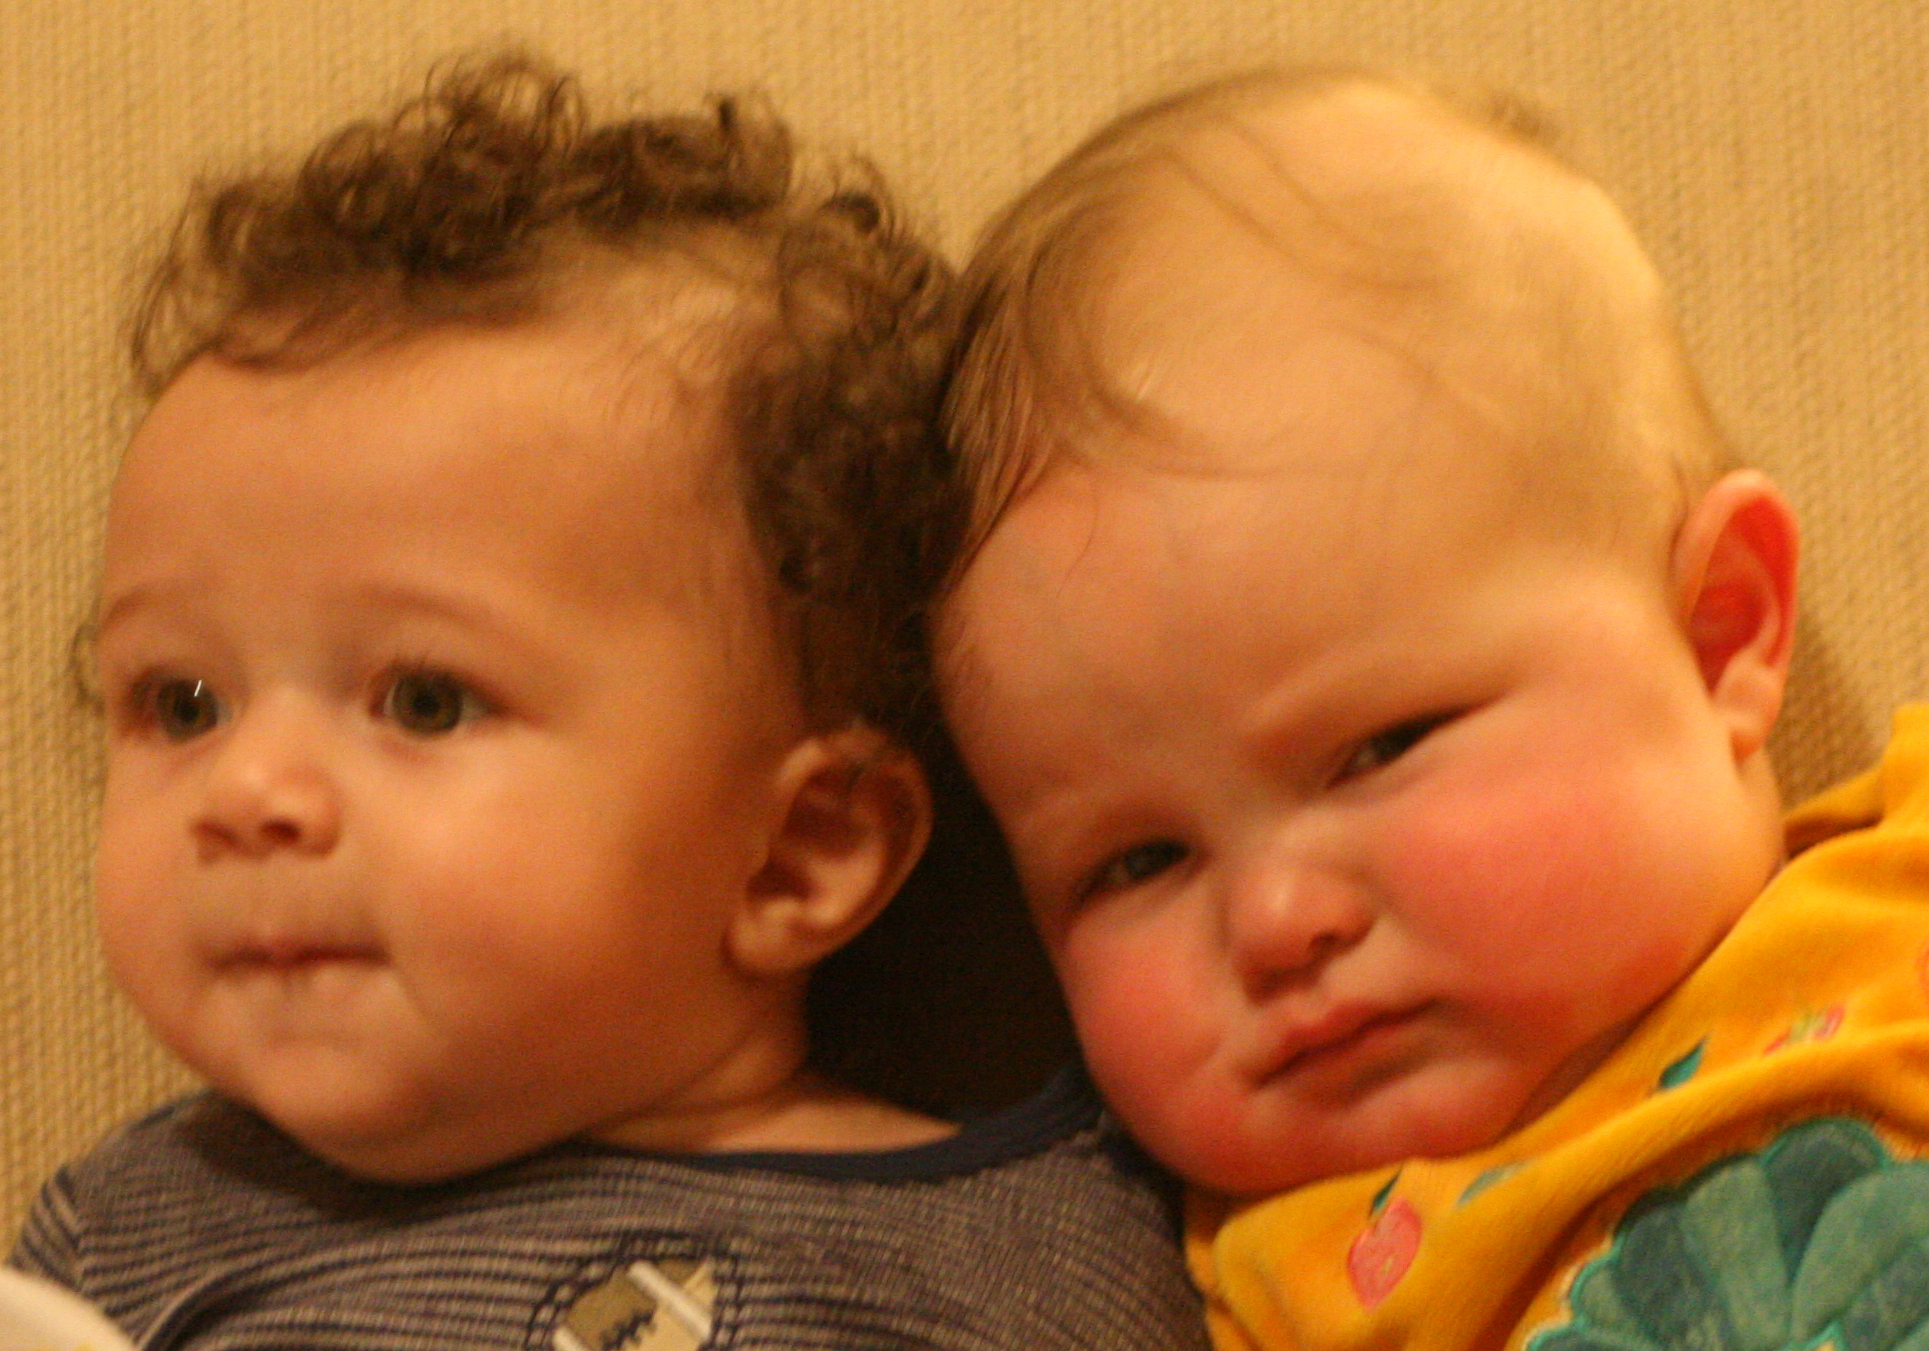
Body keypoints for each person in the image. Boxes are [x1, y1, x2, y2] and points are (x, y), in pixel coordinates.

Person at [6, 53, 1208, 1351]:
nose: (246, 792)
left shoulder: (1033, 1253)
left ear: (800, 851)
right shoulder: (131, 1229)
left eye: (423, 697)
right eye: (182, 702)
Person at [931, 64, 1929, 1350]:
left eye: (1379, 749)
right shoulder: (1242, 1284)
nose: (1279, 923)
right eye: (1139, 860)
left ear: (1718, 634)